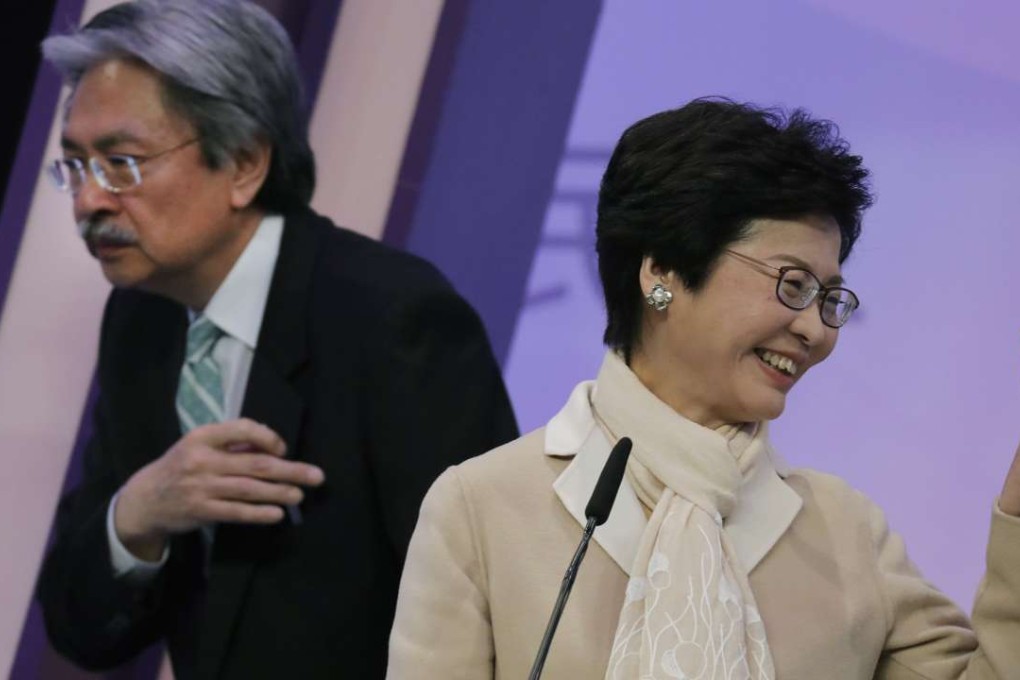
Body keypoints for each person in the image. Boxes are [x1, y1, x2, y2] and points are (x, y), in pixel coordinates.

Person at [387, 98, 1020, 679]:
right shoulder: (483, 507)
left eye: (829, 299)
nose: (813, 330)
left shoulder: (846, 533)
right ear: (660, 271)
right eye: (792, 283)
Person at [35, 2, 518, 678]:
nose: (89, 201)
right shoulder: (140, 323)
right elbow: (80, 629)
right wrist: (139, 512)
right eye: (76, 167)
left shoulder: (391, 317)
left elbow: (493, 612)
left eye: (121, 162)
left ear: (243, 163)